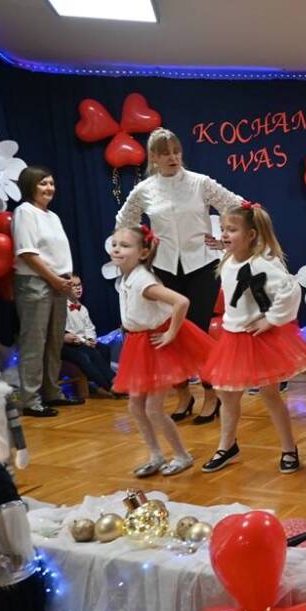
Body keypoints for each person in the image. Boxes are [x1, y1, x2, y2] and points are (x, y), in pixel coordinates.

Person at [115, 127, 241, 424]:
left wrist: (224, 239)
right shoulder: (145, 190)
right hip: (164, 268)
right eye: (164, 153)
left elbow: (236, 206)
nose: (172, 157)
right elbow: (124, 222)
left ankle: (211, 394)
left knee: (197, 333)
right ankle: (183, 394)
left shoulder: (200, 183)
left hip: (202, 266)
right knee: (167, 334)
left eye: (176, 151)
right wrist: (140, 249)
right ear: (154, 157)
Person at [199, 202, 306, 474]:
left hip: (259, 339)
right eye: (223, 229)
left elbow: (290, 289)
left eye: (232, 230)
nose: (225, 234)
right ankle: (227, 446)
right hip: (232, 337)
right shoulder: (228, 260)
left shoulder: (263, 263)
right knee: (227, 396)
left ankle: (289, 448)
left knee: (270, 395)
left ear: (250, 234)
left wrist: (271, 319)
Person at [110, 226, 214, 478]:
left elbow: (181, 301)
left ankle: (182, 455)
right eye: (114, 244)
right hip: (138, 344)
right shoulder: (127, 278)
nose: (117, 249)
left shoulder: (143, 281)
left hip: (155, 345)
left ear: (144, 253)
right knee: (136, 406)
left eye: (125, 245)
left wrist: (171, 333)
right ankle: (155, 455)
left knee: (153, 408)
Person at [12, 166, 82, 417]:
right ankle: (30, 400)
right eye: (43, 183)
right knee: (35, 341)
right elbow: (27, 253)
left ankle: (52, 392)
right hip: (36, 283)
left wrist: (65, 281)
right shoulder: (24, 212)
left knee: (54, 341)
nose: (49, 188)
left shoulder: (53, 216)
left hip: (58, 283)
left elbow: (57, 254)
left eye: (51, 183)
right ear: (29, 186)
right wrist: (54, 279)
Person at [61, 273, 118, 398]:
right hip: (69, 344)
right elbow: (66, 333)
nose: (78, 288)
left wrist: (91, 339)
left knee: (104, 349)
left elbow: (89, 327)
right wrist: (84, 341)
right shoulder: (62, 307)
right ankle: (109, 385)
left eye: (79, 285)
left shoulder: (83, 308)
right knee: (88, 354)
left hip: (82, 341)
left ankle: (102, 381)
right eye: (74, 285)